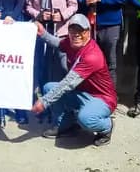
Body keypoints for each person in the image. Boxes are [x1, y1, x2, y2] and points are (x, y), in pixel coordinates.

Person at [31, 13, 116, 147]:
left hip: (102, 99)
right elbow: (59, 43)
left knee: (86, 119)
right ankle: (66, 125)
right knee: (49, 87)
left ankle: (107, 126)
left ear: (88, 32)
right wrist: (43, 33)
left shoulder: (92, 56)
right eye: (72, 30)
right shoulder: (72, 43)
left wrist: (44, 101)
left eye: (80, 31)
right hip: (82, 92)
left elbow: (67, 84)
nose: (76, 34)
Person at [25, 0, 78, 90]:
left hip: (61, 32)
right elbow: (28, 6)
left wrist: (61, 15)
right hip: (42, 33)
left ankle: (64, 103)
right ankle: (43, 103)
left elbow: (73, 5)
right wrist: (40, 15)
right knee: (42, 67)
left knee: (62, 68)